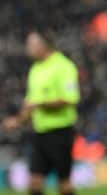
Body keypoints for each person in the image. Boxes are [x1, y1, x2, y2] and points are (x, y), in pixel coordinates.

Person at [1, 30, 80, 195]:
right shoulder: (35, 69)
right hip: (40, 134)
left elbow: (70, 98)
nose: (27, 48)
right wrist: (17, 120)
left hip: (60, 133)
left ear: (43, 45)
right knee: (34, 184)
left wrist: (41, 103)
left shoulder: (64, 66)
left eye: (31, 44)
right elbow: (30, 103)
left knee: (64, 184)